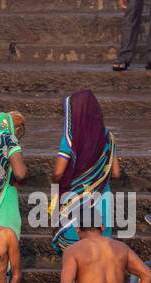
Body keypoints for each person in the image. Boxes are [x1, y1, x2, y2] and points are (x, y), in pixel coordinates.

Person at [51, 90, 120, 252]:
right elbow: (116, 173)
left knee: (75, 255)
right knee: (101, 254)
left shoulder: (70, 138)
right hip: (102, 202)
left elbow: (58, 173)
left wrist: (55, 184)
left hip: (74, 203)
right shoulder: (108, 137)